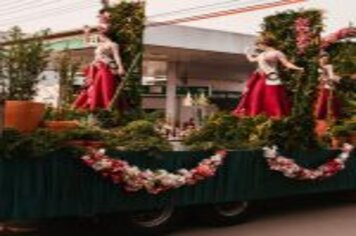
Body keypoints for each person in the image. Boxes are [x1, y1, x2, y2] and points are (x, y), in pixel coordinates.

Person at [232, 37, 304, 119]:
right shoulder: (262, 54)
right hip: (260, 78)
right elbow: (251, 60)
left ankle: (276, 115)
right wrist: (247, 53)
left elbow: (286, 64)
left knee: (272, 97)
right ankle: (257, 115)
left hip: (271, 77)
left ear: (263, 44)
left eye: (259, 45)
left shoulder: (277, 53)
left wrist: (298, 68)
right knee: (256, 95)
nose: (259, 47)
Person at [73, 29, 125, 111]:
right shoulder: (100, 44)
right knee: (94, 86)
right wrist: (86, 33)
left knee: (105, 86)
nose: (99, 37)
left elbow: (117, 56)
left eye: (100, 36)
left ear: (104, 36)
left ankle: (108, 107)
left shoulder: (113, 45)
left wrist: (120, 67)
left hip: (106, 66)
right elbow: (87, 43)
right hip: (96, 68)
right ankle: (96, 107)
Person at [314, 52, 341, 120]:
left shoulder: (329, 66)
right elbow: (319, 78)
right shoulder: (318, 68)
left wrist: (333, 79)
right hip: (322, 86)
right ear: (319, 59)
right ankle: (323, 116)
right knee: (323, 100)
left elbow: (331, 76)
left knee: (331, 101)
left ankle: (331, 116)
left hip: (328, 86)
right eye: (323, 59)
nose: (324, 61)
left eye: (326, 59)